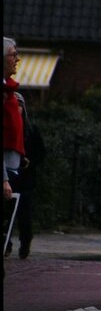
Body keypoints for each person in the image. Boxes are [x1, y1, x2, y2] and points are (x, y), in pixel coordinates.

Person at [5, 92, 46, 259]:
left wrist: (31, 161)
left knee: (25, 214)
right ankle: (6, 244)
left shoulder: (31, 130)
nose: (18, 109)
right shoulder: (9, 127)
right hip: (10, 176)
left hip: (26, 179)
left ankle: (25, 242)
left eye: (20, 105)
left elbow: (41, 152)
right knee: (7, 214)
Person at [3, 37, 25, 201]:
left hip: (13, 169)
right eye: (13, 55)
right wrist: (4, 179)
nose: (17, 59)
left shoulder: (11, 93)